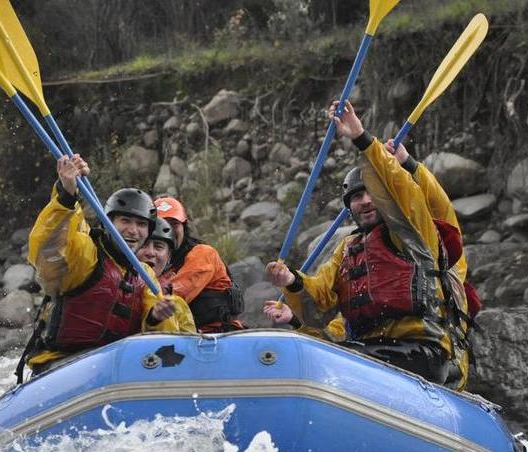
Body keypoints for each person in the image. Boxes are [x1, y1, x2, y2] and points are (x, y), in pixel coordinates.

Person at [265, 100, 469, 388]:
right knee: (320, 354)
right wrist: (291, 281)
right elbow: (321, 306)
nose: (366, 202)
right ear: (349, 208)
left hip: (423, 351)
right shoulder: (348, 248)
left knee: (338, 360)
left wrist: (362, 138)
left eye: (371, 194)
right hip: (373, 348)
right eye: (357, 198)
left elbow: (406, 193)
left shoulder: (413, 234)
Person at [15, 155, 194, 381]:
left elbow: (158, 343)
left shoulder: (145, 275)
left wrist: (154, 318)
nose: (133, 231)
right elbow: (48, 248)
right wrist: (66, 195)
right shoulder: (87, 253)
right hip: (61, 364)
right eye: (125, 221)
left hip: (112, 366)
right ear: (108, 223)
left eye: (141, 224)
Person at [154, 196, 246, 333]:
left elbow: (175, 296)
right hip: (182, 336)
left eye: (174, 224)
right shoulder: (154, 260)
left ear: (184, 227)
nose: (168, 230)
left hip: (216, 336)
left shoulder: (203, 254)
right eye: (161, 223)